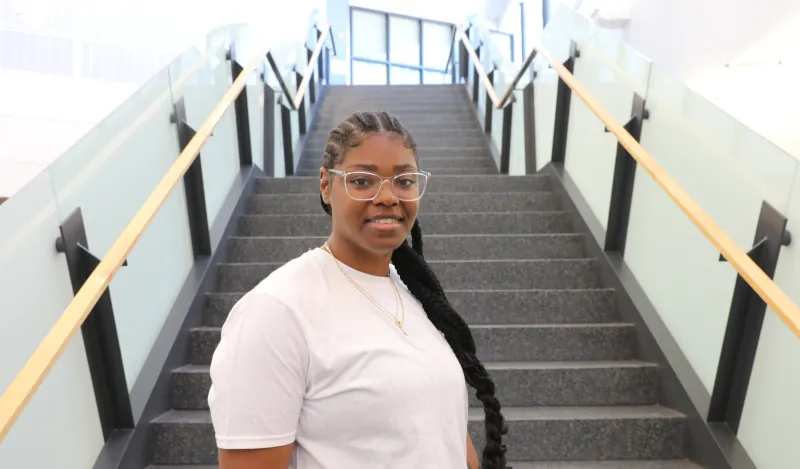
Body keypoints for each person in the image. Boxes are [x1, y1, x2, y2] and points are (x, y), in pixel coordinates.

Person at [207, 111, 510, 469]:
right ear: (325, 185)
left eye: (404, 181)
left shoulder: (414, 294)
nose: (388, 197)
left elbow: (441, 433)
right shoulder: (275, 310)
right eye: (363, 181)